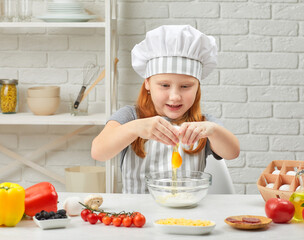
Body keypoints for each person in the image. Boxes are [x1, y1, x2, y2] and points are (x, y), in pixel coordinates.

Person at [91, 25, 240, 193]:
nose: (175, 96)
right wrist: (134, 128)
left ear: (197, 86)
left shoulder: (203, 123)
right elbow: (99, 152)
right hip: (138, 214)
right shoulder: (130, 116)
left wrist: (213, 131)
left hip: (187, 215)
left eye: (185, 86)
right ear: (147, 83)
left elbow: (232, 152)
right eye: (164, 85)